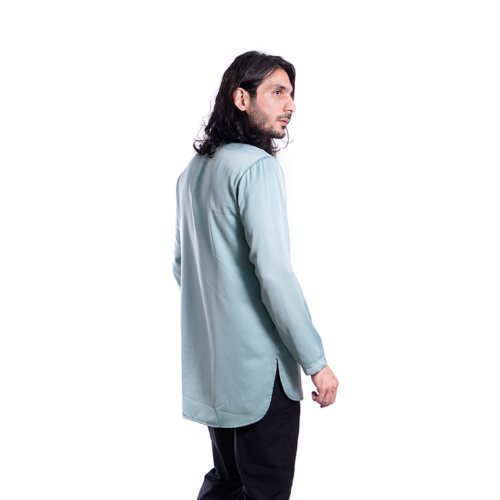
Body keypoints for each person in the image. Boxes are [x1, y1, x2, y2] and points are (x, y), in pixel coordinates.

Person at [172, 50, 339, 499]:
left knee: (226, 482)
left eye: (291, 94)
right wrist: (316, 362)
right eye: (278, 92)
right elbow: (275, 275)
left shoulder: (192, 172)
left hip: (216, 371)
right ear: (242, 98)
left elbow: (182, 266)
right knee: (265, 491)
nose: (291, 105)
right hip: (262, 375)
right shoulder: (257, 167)